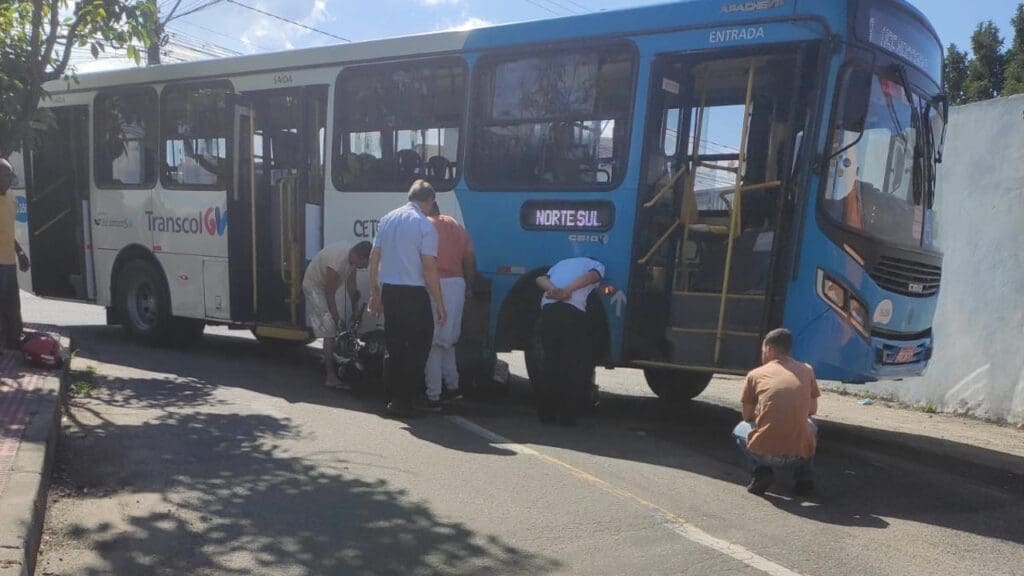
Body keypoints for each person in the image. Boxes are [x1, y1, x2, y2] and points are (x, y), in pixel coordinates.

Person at [368, 180, 446, 417]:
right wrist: (440, 303)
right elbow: (429, 268)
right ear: (429, 200)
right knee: (418, 346)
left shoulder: (388, 219)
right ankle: (407, 399)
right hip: (413, 293)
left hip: (390, 290)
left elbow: (374, 258)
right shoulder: (424, 226)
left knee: (394, 345)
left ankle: (391, 397)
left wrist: (375, 292)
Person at [733, 328, 820, 497]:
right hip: (799, 455)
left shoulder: (755, 374)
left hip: (765, 453)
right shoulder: (807, 370)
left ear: (769, 349)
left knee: (739, 429)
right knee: (811, 425)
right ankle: (804, 479)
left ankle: (761, 472)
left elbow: (747, 416)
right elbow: (812, 410)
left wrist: (764, 414)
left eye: (762, 351)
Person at [534, 256, 605, 426]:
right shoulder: (597, 265)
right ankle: (567, 416)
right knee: (571, 365)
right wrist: (566, 291)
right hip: (572, 314)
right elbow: (591, 277)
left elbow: (541, 279)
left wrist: (554, 291)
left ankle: (546, 414)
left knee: (550, 362)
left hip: (549, 312)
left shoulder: (560, 263)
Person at [424, 202, 476, 408]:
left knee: (434, 343)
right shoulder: (456, 226)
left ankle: (433, 395)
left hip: (437, 284)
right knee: (449, 341)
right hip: (458, 284)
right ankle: (453, 388)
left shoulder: (427, 226)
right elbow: (469, 258)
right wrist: (469, 286)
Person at [302, 240, 372, 389]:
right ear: (358, 256)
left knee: (334, 326)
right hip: (314, 288)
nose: (365, 267)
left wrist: (355, 311)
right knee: (329, 329)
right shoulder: (337, 261)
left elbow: (352, 287)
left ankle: (330, 360)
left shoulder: (352, 261)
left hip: (324, 288)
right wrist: (337, 319)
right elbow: (329, 293)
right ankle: (330, 377)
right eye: (364, 264)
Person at [0, 159, 30, 350]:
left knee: (12, 304)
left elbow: (9, 232)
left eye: (10, 176)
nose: (8, 181)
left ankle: (13, 340)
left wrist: (20, 253)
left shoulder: (10, 199)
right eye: (5, 176)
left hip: (9, 262)